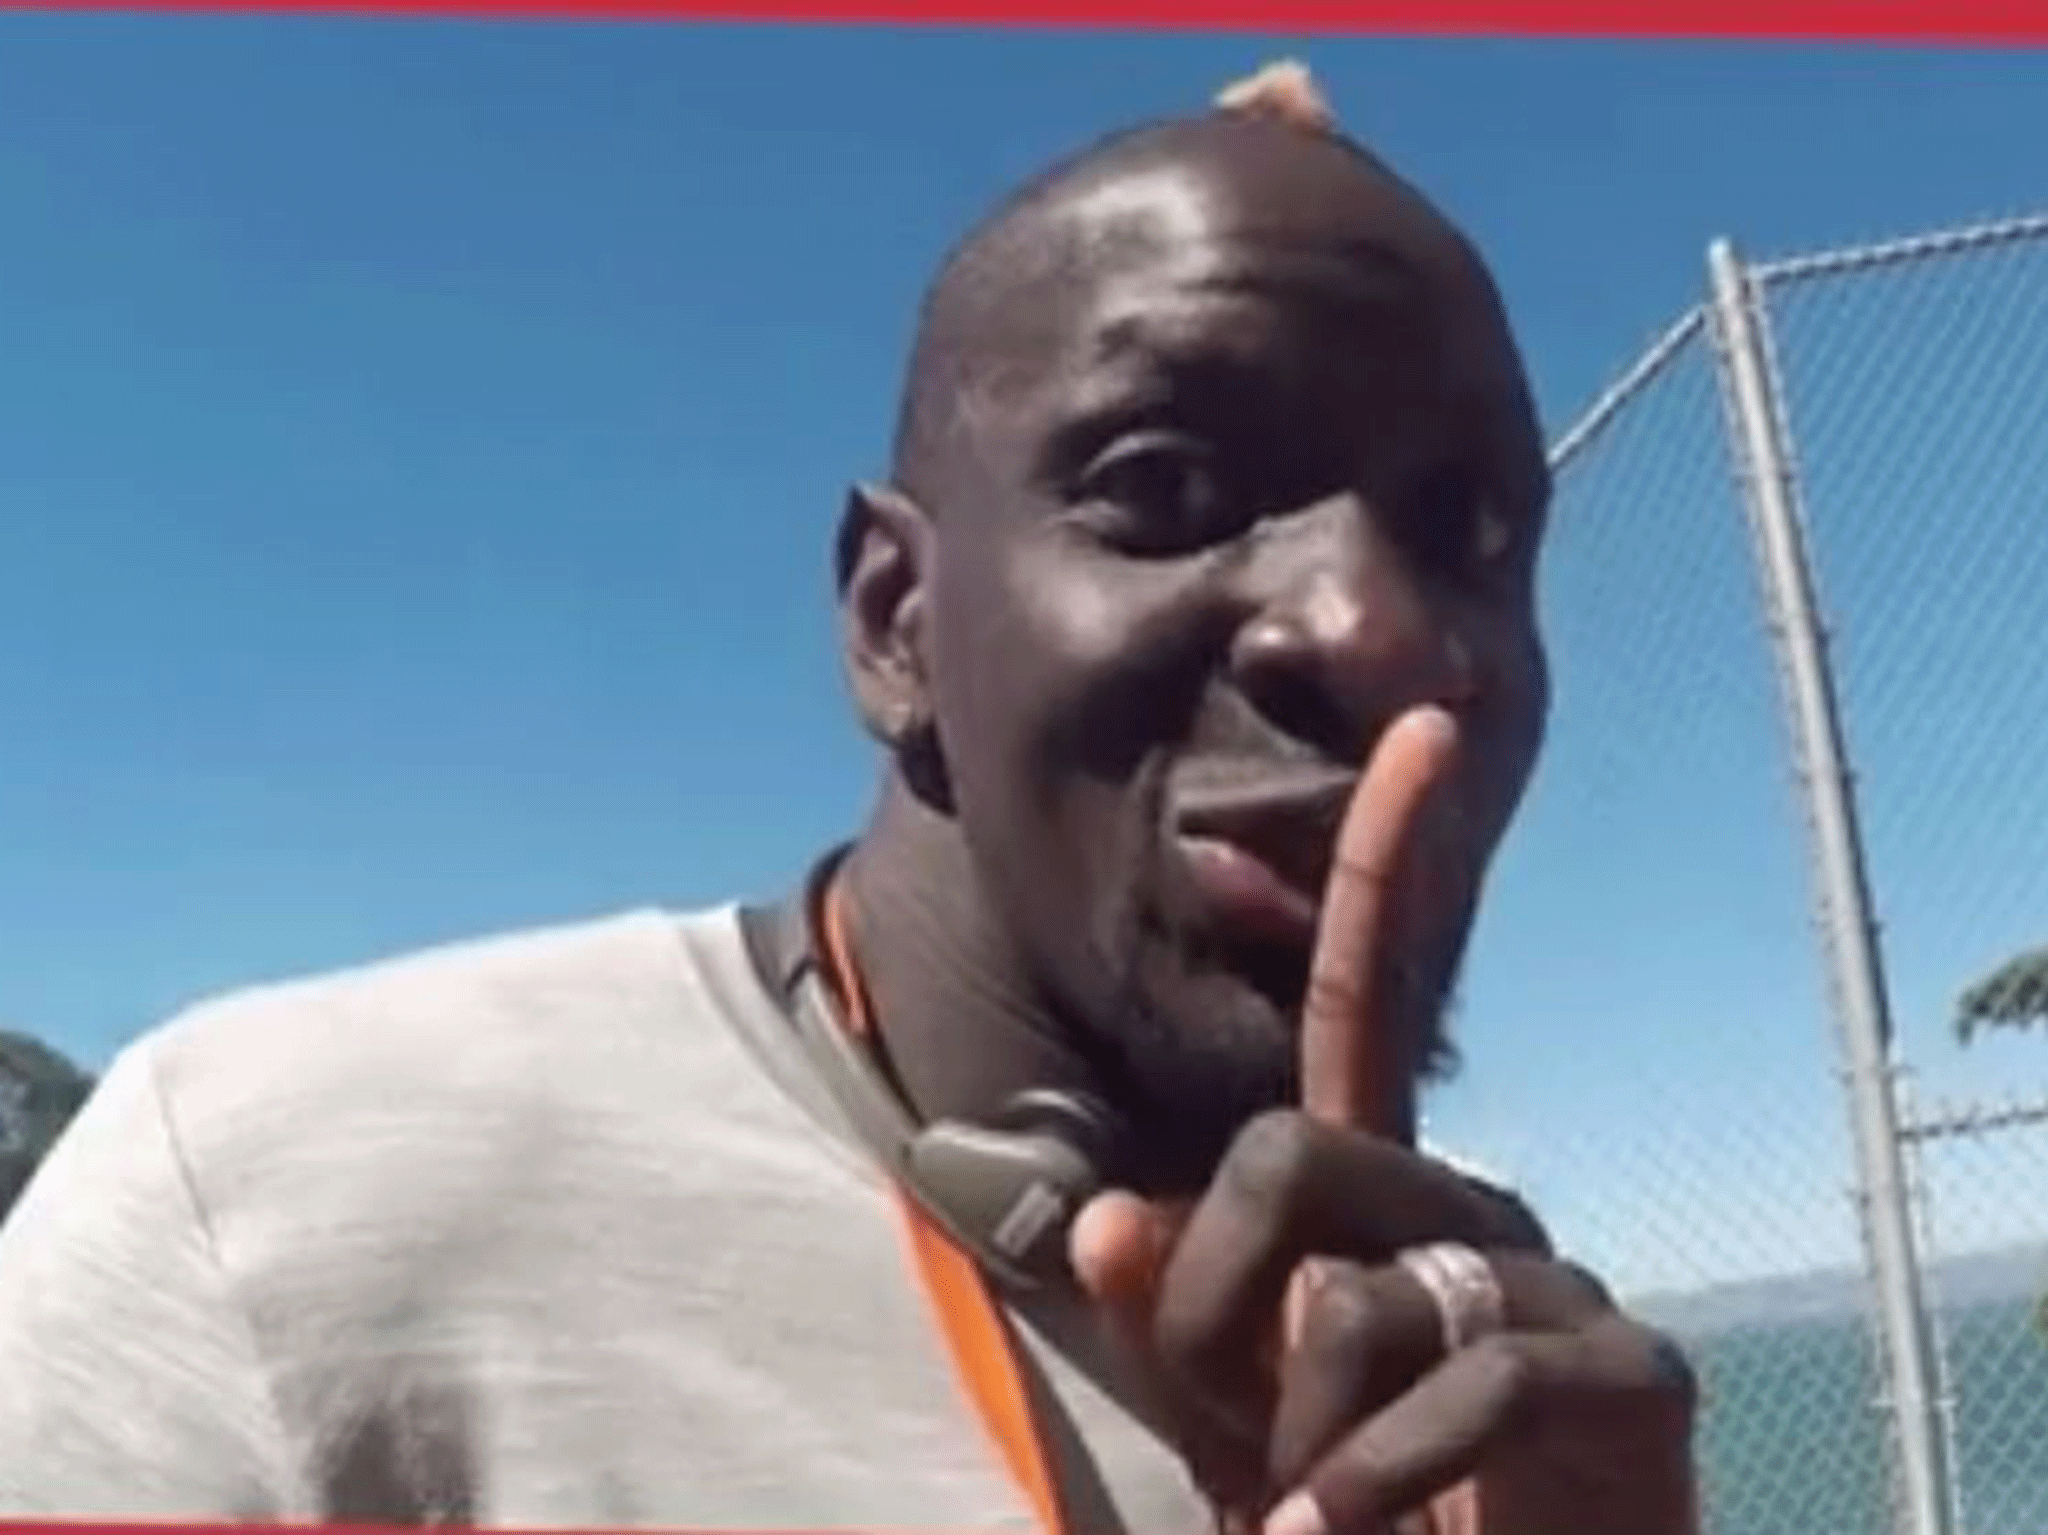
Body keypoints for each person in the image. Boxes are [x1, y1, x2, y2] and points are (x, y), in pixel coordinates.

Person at [0, 63, 1697, 1535]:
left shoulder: (1481, 1379)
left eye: (1474, 533)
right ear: (896, 626)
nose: (1382, 632)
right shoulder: (266, 1210)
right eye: (1165, 487)